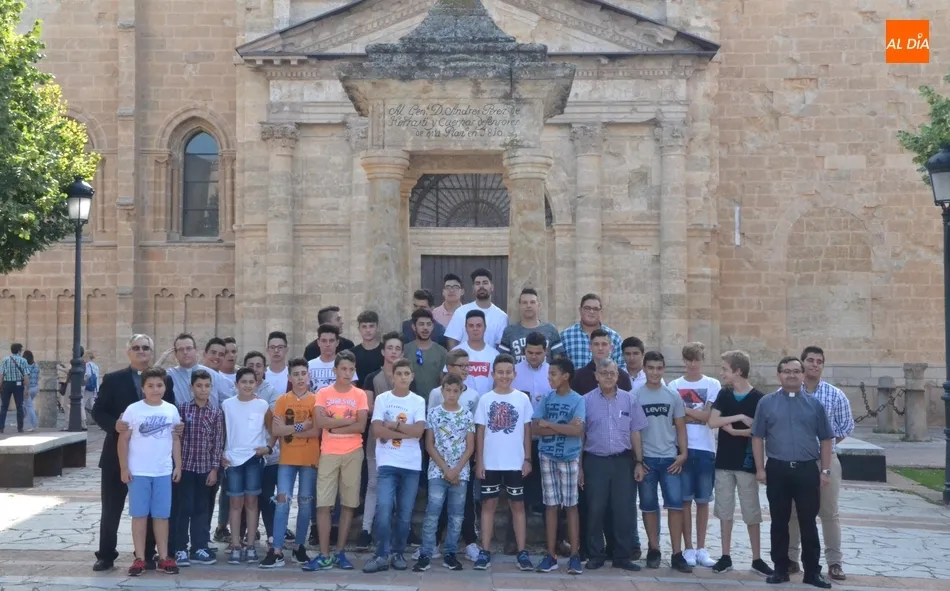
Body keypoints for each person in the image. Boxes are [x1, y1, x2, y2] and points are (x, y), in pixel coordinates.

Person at [92, 334, 177, 572]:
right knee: (111, 508)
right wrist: (114, 425)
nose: (141, 351)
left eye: (146, 348)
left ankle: (147, 554)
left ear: (152, 352)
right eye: (136, 347)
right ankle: (106, 555)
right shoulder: (113, 379)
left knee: (148, 510)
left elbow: (171, 411)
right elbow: (98, 411)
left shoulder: (164, 381)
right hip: (116, 456)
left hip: (150, 461)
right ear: (128, 351)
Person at [751, 357, 833, 589]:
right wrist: (760, 469)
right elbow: (757, 437)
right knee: (779, 521)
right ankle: (780, 569)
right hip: (778, 469)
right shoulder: (766, 403)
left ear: (803, 375)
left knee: (808, 522)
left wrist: (825, 470)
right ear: (779, 375)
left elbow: (826, 439)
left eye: (796, 371)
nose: (791, 375)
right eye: (786, 371)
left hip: (807, 469)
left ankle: (812, 572)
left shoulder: (815, 405)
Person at [788, 346, 855, 581]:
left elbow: (846, 426)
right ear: (802, 363)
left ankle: (834, 562)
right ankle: (791, 558)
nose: (814, 365)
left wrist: (825, 446)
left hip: (826, 460)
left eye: (819, 361)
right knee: (794, 511)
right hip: (797, 460)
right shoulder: (788, 392)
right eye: (810, 360)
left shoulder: (835, 395)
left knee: (829, 512)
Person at [707, 350, 773, 576]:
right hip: (724, 461)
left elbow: (759, 430)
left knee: (751, 511)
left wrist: (735, 432)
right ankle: (725, 556)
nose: (721, 373)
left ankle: (756, 558)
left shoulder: (759, 398)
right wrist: (740, 418)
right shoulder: (724, 394)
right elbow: (712, 421)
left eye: (725, 369)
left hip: (747, 463)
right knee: (724, 510)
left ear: (737, 371)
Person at [580, 358, 646, 573]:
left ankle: (622, 556)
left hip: (623, 462)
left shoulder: (630, 400)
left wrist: (639, 462)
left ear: (618, 375)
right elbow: (581, 436)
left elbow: (635, 432)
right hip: (595, 461)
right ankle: (596, 554)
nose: (608, 377)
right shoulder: (585, 401)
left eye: (612, 373)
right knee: (595, 509)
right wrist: (579, 467)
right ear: (596, 376)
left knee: (623, 510)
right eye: (604, 373)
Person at [117, 366, 183, 576]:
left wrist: (178, 465)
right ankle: (139, 558)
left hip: (163, 471)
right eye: (151, 386)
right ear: (143, 388)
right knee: (139, 515)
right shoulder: (133, 410)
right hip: (139, 472)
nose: (155, 389)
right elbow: (123, 440)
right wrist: (124, 467)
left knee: (161, 516)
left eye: (159, 385)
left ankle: (163, 557)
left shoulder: (171, 410)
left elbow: (175, 439)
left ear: (165, 387)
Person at [363, 359, 427, 573]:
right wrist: (405, 431)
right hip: (387, 463)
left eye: (406, 373)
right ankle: (381, 554)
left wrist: (393, 425)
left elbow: (419, 432)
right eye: (399, 373)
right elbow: (377, 431)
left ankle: (398, 552)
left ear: (412, 376)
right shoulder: (383, 399)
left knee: (405, 514)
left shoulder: (418, 401)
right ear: (392, 376)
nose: (402, 377)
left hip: (411, 465)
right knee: (383, 509)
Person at [306, 350, 368, 571]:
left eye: (351, 369)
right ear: (335, 370)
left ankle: (340, 552)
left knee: (348, 503)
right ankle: (324, 554)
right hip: (329, 452)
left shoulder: (360, 394)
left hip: (353, 452)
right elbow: (321, 422)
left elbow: (361, 425)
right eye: (343, 369)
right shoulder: (323, 393)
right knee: (323, 503)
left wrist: (336, 426)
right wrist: (348, 421)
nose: (347, 373)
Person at [473, 354, 535, 572]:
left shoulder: (522, 399)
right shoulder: (485, 399)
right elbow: (481, 431)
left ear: (515, 374)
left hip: (515, 461)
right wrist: (479, 460)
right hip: (490, 461)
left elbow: (527, 430)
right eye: (500, 372)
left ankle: (522, 551)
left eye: (508, 372)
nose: (504, 376)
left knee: (517, 506)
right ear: (493, 374)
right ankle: (485, 551)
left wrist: (527, 459)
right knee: (488, 505)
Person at [259, 358, 319, 569]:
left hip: (309, 458)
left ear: (308, 375)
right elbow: (277, 430)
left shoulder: (316, 400)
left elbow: (316, 430)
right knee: (282, 501)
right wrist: (302, 426)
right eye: (296, 374)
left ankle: (299, 547)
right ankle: (276, 550)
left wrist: (289, 429)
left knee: (305, 503)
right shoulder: (283, 400)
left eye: (303, 373)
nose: (300, 378)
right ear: (289, 377)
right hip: (287, 459)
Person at [413, 374, 475, 572]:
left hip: (460, 473)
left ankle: (450, 553)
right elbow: (429, 445)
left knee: (456, 515)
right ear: (442, 390)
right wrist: (446, 469)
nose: (451, 394)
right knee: (433, 513)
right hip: (437, 471)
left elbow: (470, 447)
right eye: (448, 390)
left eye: (455, 391)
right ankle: (426, 553)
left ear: (461, 391)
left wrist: (456, 470)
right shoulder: (433, 413)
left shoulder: (467, 415)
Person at [636, 351, 691, 573]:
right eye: (650, 368)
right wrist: (637, 459)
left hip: (670, 459)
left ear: (663, 369)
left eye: (659, 368)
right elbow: (633, 431)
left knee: (675, 506)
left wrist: (683, 454)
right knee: (649, 506)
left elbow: (680, 427)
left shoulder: (672, 395)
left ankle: (677, 553)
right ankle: (654, 549)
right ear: (644, 369)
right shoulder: (635, 395)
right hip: (647, 460)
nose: (655, 372)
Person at [668, 342, 721, 568]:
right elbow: (674, 418)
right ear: (684, 360)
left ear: (702, 360)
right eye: (689, 359)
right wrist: (696, 414)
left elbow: (708, 417)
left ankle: (701, 548)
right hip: (682, 448)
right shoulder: (674, 385)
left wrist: (685, 411)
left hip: (705, 448)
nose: (692, 364)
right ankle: (688, 547)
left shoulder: (713, 384)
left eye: (696, 359)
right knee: (684, 501)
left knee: (703, 501)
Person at [532, 357, 585, 575]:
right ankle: (551, 554)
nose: (549, 378)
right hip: (547, 456)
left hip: (569, 457)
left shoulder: (578, 400)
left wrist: (550, 424)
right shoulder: (547, 398)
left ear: (566, 376)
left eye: (553, 374)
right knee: (551, 506)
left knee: (571, 506)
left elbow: (577, 431)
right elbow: (535, 428)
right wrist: (563, 427)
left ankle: (574, 555)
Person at [221, 367, 272, 565]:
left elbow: (272, 428)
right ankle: (235, 544)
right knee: (235, 504)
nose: (247, 385)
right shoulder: (227, 405)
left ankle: (250, 545)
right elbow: (222, 431)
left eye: (251, 382)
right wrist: (221, 453)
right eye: (243, 382)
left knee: (252, 503)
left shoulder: (262, 405)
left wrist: (268, 447)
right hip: (233, 460)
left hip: (254, 459)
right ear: (236, 384)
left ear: (256, 384)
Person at [173, 369, 222, 567]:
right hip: (185, 467)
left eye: (207, 386)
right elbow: (176, 438)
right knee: (183, 508)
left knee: (202, 509)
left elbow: (217, 442)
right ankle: (180, 548)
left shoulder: (216, 413)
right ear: (191, 388)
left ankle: (199, 547)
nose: (203, 389)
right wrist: (177, 466)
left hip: (205, 469)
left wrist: (214, 469)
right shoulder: (182, 409)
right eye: (199, 386)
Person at [242, 351, 282, 547]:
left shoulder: (272, 392)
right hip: (244, 455)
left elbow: (271, 420)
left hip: (268, 454)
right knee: (245, 497)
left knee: (266, 495)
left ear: (264, 368)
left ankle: (272, 535)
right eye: (251, 365)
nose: (255, 369)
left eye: (259, 365)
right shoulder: (238, 391)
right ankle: (244, 535)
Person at [444, 268, 508, 349]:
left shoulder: (501, 316)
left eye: (485, 283)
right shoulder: (461, 312)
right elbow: (452, 340)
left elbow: (500, 346)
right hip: (463, 357)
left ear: (492, 287)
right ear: (473, 288)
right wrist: (456, 357)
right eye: (477, 283)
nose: (481, 286)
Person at [559, 294, 625, 370]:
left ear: (601, 312)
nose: (591, 311)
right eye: (587, 308)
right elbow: (560, 368)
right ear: (580, 310)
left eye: (596, 309)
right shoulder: (565, 336)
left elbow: (621, 367)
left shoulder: (614, 338)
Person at [498, 288, 564, 362]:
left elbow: (559, 361)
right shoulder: (509, 331)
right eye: (524, 302)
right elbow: (502, 361)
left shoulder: (551, 330)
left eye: (532, 302)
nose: (528, 305)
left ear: (539, 305)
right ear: (520, 305)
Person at [447, 310, 499, 395]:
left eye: (479, 325)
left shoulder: (495, 355)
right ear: (466, 328)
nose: (475, 329)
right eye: (471, 326)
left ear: (485, 328)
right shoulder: (455, 352)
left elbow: (497, 383)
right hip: (460, 400)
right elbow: (447, 378)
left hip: (485, 401)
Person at [403, 308, 448, 403]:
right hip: (409, 402)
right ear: (414, 327)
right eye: (421, 324)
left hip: (434, 403)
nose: (425, 328)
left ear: (433, 326)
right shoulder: (405, 350)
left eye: (428, 324)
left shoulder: (442, 352)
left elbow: (444, 380)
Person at [572, 329, 633, 395]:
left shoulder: (623, 377)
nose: (600, 348)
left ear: (611, 348)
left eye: (604, 344)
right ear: (590, 348)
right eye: (596, 344)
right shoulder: (577, 377)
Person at [308, 324, 358, 392]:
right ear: (318, 342)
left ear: (337, 342)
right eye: (324, 341)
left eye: (331, 341)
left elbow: (352, 391)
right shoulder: (309, 366)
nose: (328, 344)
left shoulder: (347, 365)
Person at [1, 343, 31, 434]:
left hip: (7, 384)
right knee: (19, 406)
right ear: (19, 350)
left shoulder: (5, 360)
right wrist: (27, 388)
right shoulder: (23, 360)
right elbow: (26, 376)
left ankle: (1, 427)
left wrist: (0, 385)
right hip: (18, 385)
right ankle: (20, 428)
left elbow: (1, 374)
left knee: (4, 407)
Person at [351, 311, 384, 389]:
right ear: (359, 329)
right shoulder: (352, 353)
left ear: (377, 327)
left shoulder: (385, 351)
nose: (368, 330)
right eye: (364, 327)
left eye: (371, 326)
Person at [23, 350, 40, 432]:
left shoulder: (25, 366)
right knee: (25, 405)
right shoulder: (36, 366)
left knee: (29, 406)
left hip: (27, 388)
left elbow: (25, 378)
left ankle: (34, 424)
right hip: (35, 388)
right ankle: (20, 420)